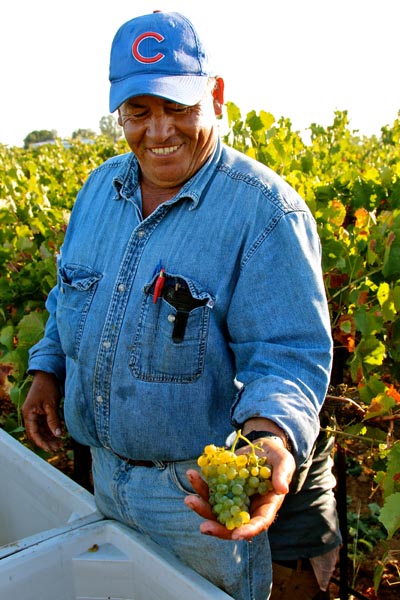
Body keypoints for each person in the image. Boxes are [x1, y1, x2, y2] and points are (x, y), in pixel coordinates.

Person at [22, 11, 340, 600]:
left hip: (195, 504)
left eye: (179, 108)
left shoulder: (265, 214)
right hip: (106, 481)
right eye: (139, 112)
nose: (158, 130)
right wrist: (48, 367)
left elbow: (289, 354)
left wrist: (272, 437)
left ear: (215, 97)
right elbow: (69, 291)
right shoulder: (99, 190)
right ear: (119, 110)